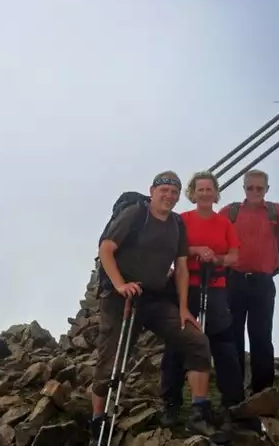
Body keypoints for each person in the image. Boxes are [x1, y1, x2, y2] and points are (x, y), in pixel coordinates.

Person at [90, 171, 220, 445]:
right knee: (110, 359)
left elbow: (182, 267)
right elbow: (106, 249)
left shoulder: (176, 224)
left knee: (196, 341)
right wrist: (120, 285)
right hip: (121, 297)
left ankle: (199, 411)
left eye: (174, 192)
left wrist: (184, 308)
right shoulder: (136, 214)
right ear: (152, 191)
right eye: (164, 191)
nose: (169, 197)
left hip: (155, 296)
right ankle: (97, 420)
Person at [159, 171, 246, 427]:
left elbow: (234, 256)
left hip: (216, 286)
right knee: (178, 341)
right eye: (201, 190)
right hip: (186, 286)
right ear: (193, 193)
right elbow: (174, 248)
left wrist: (217, 259)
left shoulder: (224, 223)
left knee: (222, 343)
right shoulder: (182, 220)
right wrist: (196, 251)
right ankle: (171, 402)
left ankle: (232, 400)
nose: (205, 194)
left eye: (209, 189)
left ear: (216, 193)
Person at [219, 169, 279, 394]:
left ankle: (263, 390)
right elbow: (214, 233)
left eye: (259, 188)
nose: (255, 192)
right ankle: (232, 390)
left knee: (261, 334)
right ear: (244, 188)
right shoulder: (231, 211)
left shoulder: (275, 210)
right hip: (233, 279)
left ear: (267, 189)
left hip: (262, 282)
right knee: (232, 333)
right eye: (250, 188)